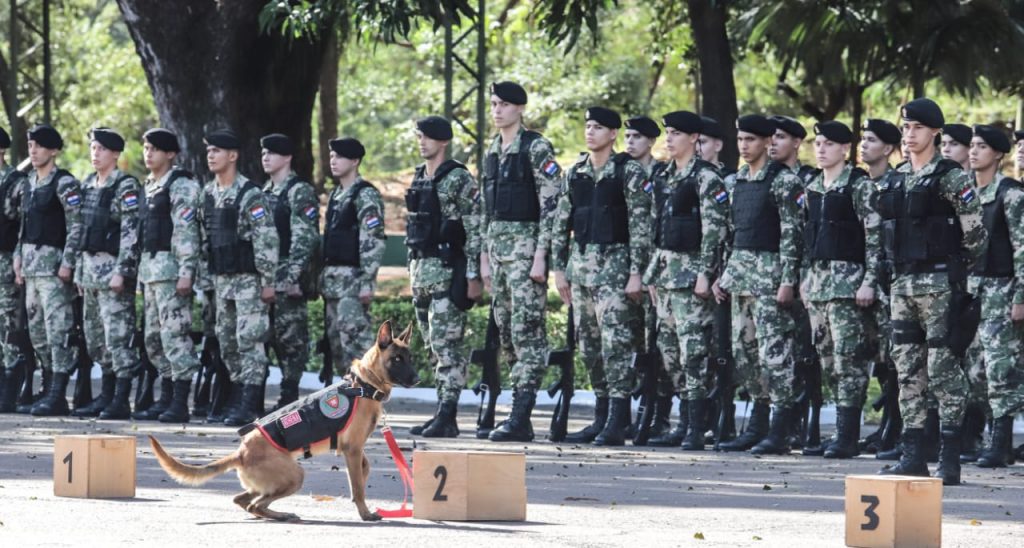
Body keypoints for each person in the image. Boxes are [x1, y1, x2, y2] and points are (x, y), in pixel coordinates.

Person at [876, 98, 985, 486]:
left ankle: (950, 458)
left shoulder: (951, 177)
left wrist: (958, 277)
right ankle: (912, 456)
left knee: (943, 372)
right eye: (905, 127)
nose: (909, 134)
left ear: (935, 132)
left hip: (940, 286)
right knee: (908, 371)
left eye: (917, 128)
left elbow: (975, 235)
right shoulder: (897, 177)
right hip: (902, 285)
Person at [551, 106, 651, 446]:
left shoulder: (629, 173)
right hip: (580, 272)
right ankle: (601, 413)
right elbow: (560, 223)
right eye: (588, 126)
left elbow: (641, 227)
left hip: (615, 270)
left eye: (598, 127)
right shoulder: (575, 172)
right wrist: (558, 269)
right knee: (589, 347)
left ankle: (618, 419)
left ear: (613, 135)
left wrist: (637, 273)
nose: (590, 132)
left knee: (616, 347)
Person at [713, 114, 804, 455]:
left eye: (751, 140)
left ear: (768, 142)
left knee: (775, 354)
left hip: (770, 275)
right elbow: (730, 232)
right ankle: (757, 424)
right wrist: (724, 272)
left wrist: (788, 280)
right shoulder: (735, 181)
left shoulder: (784, 181)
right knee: (745, 353)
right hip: (740, 275)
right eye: (741, 140)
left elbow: (793, 235)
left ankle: (780, 430)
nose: (744, 146)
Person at [479, 81, 562, 441]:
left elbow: (551, 204)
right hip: (498, 256)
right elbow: (485, 208)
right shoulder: (493, 149)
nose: (497, 110)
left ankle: (520, 411)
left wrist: (542, 255)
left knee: (528, 334)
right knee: (508, 334)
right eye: (494, 103)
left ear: (520, 109)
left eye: (504, 105)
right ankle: (519, 416)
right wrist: (483, 257)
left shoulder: (536, 147)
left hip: (527, 253)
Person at [642, 110, 730, 450]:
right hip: (665, 274)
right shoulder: (664, 175)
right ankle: (685, 418)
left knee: (694, 352)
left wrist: (706, 274)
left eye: (676, 133)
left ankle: (696, 426)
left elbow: (714, 231)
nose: (669, 138)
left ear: (694, 138)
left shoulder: (706, 178)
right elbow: (656, 227)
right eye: (668, 133)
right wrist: (652, 272)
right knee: (670, 352)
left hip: (692, 275)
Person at [799, 121, 880, 458]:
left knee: (850, 360)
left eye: (829, 144)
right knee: (828, 359)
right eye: (817, 143)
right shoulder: (813, 186)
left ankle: (847, 436)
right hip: (818, 285)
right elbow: (807, 237)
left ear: (845, 149)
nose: (821, 149)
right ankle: (840, 434)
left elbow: (874, 238)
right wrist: (804, 278)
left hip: (848, 285)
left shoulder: (859, 186)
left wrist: (869, 280)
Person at [405, 116, 483, 438]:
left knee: (447, 346)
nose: (422, 142)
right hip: (422, 273)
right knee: (432, 347)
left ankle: (448, 415)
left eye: (428, 137)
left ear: (443, 141)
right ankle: (440, 410)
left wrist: (475, 275)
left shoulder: (458, 178)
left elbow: (476, 226)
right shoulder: (419, 177)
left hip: (448, 272)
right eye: (419, 136)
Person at [200, 129, 279, 426]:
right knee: (226, 341)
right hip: (222, 281)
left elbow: (266, 240)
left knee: (249, 340)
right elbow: (204, 238)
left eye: (217, 151)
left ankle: (249, 403)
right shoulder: (207, 193)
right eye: (209, 151)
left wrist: (268, 281)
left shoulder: (250, 194)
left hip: (248, 281)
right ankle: (237, 396)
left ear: (232, 156)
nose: (211, 155)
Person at [12, 124, 83, 416]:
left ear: (53, 150)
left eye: (40, 145)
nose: (34, 150)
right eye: (31, 145)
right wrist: (18, 258)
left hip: (54, 271)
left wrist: (68, 263)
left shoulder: (64, 183)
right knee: (38, 334)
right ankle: (48, 385)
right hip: (30, 269)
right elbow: (23, 226)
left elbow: (76, 225)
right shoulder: (28, 182)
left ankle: (57, 393)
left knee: (58, 331)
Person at [72, 128, 142, 420]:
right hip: (89, 273)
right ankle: (107, 394)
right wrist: (77, 268)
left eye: (100, 148)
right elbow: (80, 230)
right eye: (92, 148)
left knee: (118, 337)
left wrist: (123, 271)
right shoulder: (88, 184)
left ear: (115, 153)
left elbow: (131, 231)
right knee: (95, 338)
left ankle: (120, 399)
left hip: (112, 272)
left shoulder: (125, 186)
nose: (95, 153)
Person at [135, 128, 203, 423]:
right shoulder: (150, 184)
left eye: (154, 149)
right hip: (151, 271)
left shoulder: (182, 185)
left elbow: (187, 233)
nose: (148, 153)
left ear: (171, 154)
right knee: (153, 339)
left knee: (174, 336)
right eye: (146, 147)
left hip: (172, 271)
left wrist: (186, 272)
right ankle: (165, 397)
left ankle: (179, 402)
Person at [967, 125, 1024, 468]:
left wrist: (1020, 295)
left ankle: (1000, 444)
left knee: (1000, 369)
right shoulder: (968, 194)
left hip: (1004, 291)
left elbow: (1022, 248)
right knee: (976, 372)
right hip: (976, 292)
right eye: (972, 146)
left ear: (998, 154)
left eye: (982, 147)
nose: (974, 152)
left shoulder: (1011, 195)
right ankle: (986, 436)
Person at [623, 115, 674, 440]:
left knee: (659, 346)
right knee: (634, 346)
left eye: (637, 137)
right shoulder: (620, 173)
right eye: (627, 136)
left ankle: (660, 416)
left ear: (651, 142)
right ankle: (635, 414)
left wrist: (647, 273)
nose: (630, 142)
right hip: (624, 268)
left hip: (654, 271)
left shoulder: (660, 176)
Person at [260, 133, 319, 409]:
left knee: (291, 340)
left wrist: (292, 277)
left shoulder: (299, 191)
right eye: (263, 153)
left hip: (287, 278)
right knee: (266, 336)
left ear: (287, 158)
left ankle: (289, 395)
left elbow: (304, 238)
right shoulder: (264, 191)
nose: (265, 158)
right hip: (266, 275)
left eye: (271, 153)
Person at [320, 137, 386, 383]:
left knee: (355, 345)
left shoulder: (365, 195)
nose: (333, 161)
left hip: (353, 281)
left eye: (339, 157)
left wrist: (368, 281)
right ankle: (348, 404)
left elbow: (373, 240)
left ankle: (366, 402)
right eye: (331, 156)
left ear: (355, 161)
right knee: (337, 346)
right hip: (334, 282)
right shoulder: (337, 195)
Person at [0, 127, 28, 411]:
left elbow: (24, 228)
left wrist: (19, 261)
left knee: (8, 328)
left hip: (6, 265)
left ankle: (9, 391)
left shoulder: (15, 182)